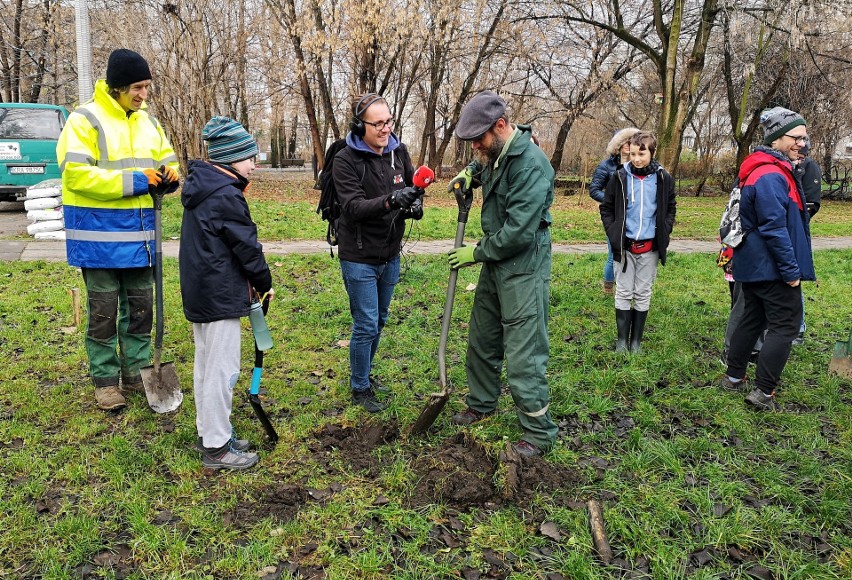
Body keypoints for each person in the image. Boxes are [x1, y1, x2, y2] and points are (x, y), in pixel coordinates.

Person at [57, 48, 180, 411]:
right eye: (137, 88)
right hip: (98, 239)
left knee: (142, 311)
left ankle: (137, 372)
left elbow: (167, 159)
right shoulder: (84, 121)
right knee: (103, 313)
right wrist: (138, 180)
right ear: (116, 88)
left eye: (146, 87)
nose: (143, 95)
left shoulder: (149, 123)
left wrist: (169, 176)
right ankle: (106, 383)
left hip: (141, 238)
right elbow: (77, 175)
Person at [446, 90, 557, 458]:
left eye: (479, 139)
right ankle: (482, 403)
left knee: (523, 348)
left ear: (501, 125)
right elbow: (486, 163)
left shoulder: (531, 165)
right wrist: (469, 174)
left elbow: (519, 232)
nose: (475, 146)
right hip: (497, 261)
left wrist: (475, 253)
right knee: (483, 335)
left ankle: (538, 432)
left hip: (523, 263)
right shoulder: (496, 151)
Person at [179, 116, 273, 471]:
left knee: (206, 366)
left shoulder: (204, 187)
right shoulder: (225, 195)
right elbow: (247, 248)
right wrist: (265, 282)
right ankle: (218, 449)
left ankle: (211, 433)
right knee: (223, 369)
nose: (254, 163)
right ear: (231, 158)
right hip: (219, 294)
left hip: (201, 291)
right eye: (249, 156)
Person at [717, 107, 815, 411]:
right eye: (796, 137)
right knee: (785, 326)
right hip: (771, 265)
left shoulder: (767, 168)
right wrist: (791, 271)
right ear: (776, 139)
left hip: (755, 263)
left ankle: (734, 377)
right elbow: (774, 228)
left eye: (804, 137)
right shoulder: (771, 174)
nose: (802, 143)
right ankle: (763, 392)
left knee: (752, 318)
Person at [331, 93, 422, 413]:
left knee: (380, 321)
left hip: (391, 253)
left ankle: (365, 376)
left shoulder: (399, 152)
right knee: (366, 324)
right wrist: (392, 200)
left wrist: (414, 203)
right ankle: (359, 388)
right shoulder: (346, 159)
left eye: (389, 121)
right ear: (360, 126)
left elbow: (411, 187)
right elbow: (353, 207)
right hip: (358, 256)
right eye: (378, 123)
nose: (386, 129)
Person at [600, 131, 676, 353]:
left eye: (642, 154)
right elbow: (606, 207)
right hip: (625, 247)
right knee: (623, 291)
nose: (637, 159)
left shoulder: (663, 178)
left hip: (649, 248)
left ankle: (636, 342)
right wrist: (614, 232)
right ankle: (622, 340)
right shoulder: (620, 177)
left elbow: (671, 206)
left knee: (643, 292)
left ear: (652, 152)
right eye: (633, 154)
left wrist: (665, 228)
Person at [589, 128, 640, 295]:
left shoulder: (639, 165)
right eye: (625, 142)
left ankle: (629, 288)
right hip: (614, 217)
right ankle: (608, 288)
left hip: (635, 216)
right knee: (614, 252)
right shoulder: (607, 166)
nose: (627, 145)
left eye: (631, 142)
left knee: (633, 253)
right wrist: (613, 200)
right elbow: (594, 189)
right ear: (618, 145)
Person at [792, 141, 822, 344]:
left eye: (802, 156)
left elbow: (812, 203)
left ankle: (798, 327)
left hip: (796, 230)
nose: (798, 159)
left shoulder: (809, 167)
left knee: (794, 279)